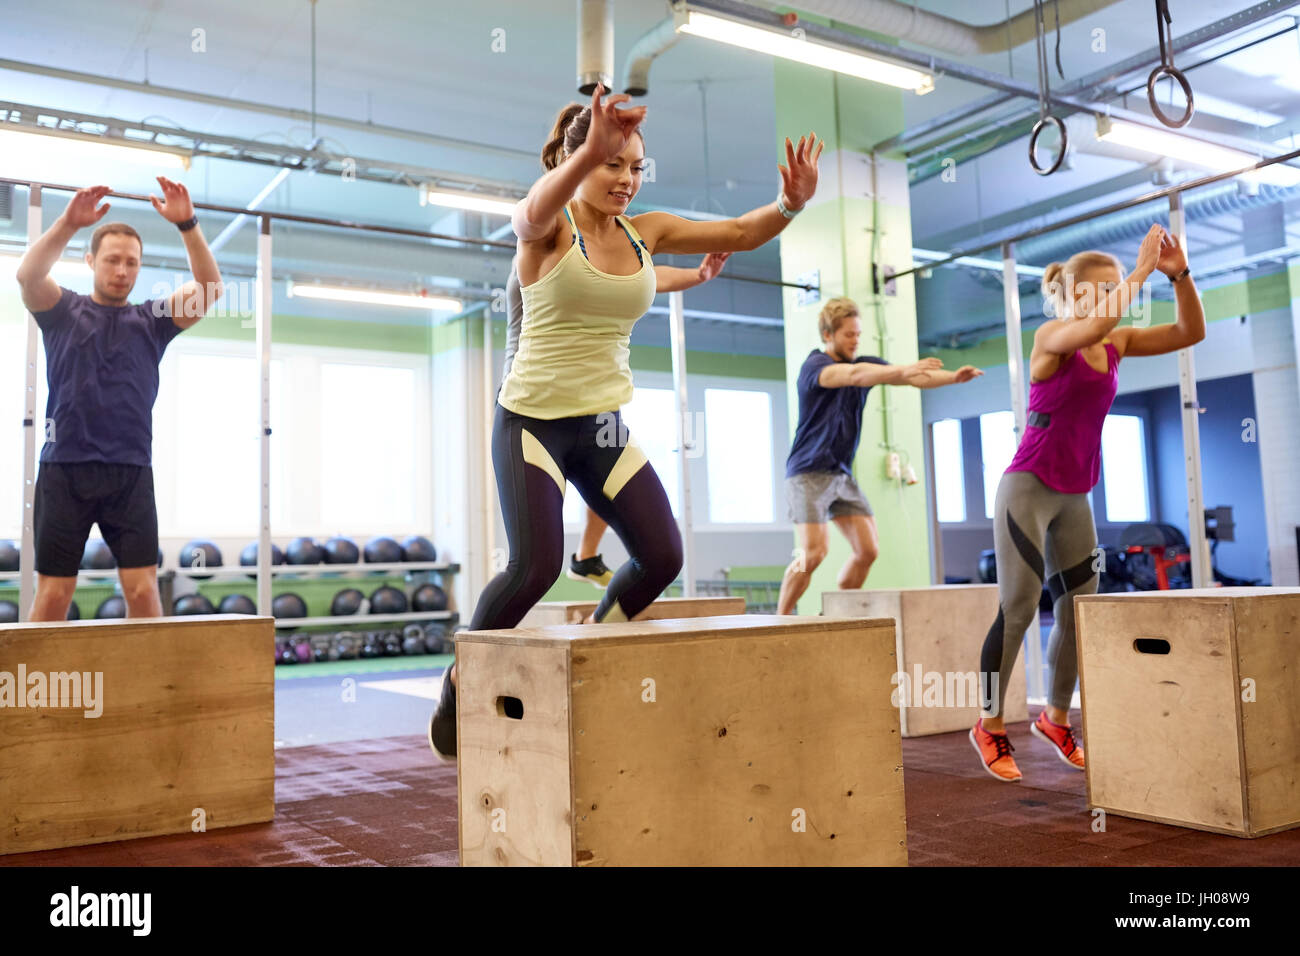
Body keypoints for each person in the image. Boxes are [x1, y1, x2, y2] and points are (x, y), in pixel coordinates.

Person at [429, 85, 823, 759]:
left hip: (600, 424)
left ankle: (599, 640)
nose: (627, 179)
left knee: (662, 555)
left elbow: (738, 233)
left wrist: (790, 203)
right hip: (532, 420)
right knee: (535, 567)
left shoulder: (647, 233)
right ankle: (460, 678)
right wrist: (590, 154)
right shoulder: (551, 229)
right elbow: (528, 212)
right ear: (578, 159)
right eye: (616, 165)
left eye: (635, 167)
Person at [970, 223, 1204, 782]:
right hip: (1026, 487)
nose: (1105, 297)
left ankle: (1055, 719)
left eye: (1112, 287)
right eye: (1096, 289)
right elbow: (1097, 322)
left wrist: (1180, 276)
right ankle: (988, 723)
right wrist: (1142, 270)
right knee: (1022, 605)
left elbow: (1189, 332)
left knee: (1079, 611)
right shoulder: (1051, 337)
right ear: (1071, 295)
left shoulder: (1116, 343)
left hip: (1076, 495)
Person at [15, 178, 223, 620]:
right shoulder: (62, 310)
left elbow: (209, 291)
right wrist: (69, 223)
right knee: (53, 595)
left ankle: (146, 690)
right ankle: (26, 689)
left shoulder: (153, 320)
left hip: (129, 472)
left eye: (131, 262)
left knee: (144, 592)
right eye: (112, 260)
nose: (122, 271)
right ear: (91, 261)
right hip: (64, 471)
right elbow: (28, 275)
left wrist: (187, 223)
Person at [502, 251, 731, 590]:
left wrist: (697, 275)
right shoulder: (543, 255)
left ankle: (586, 558)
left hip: (597, 405)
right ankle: (583, 558)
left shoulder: (600, 249)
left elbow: (644, 275)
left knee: (611, 479)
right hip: (537, 406)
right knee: (537, 564)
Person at [776, 296, 982, 615]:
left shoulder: (866, 363)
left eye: (858, 334)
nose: (855, 340)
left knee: (868, 550)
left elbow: (911, 377)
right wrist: (903, 368)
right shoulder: (815, 367)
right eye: (848, 335)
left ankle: (837, 613)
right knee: (813, 553)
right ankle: (781, 618)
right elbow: (855, 375)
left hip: (841, 474)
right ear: (828, 335)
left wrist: (953, 377)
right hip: (808, 472)